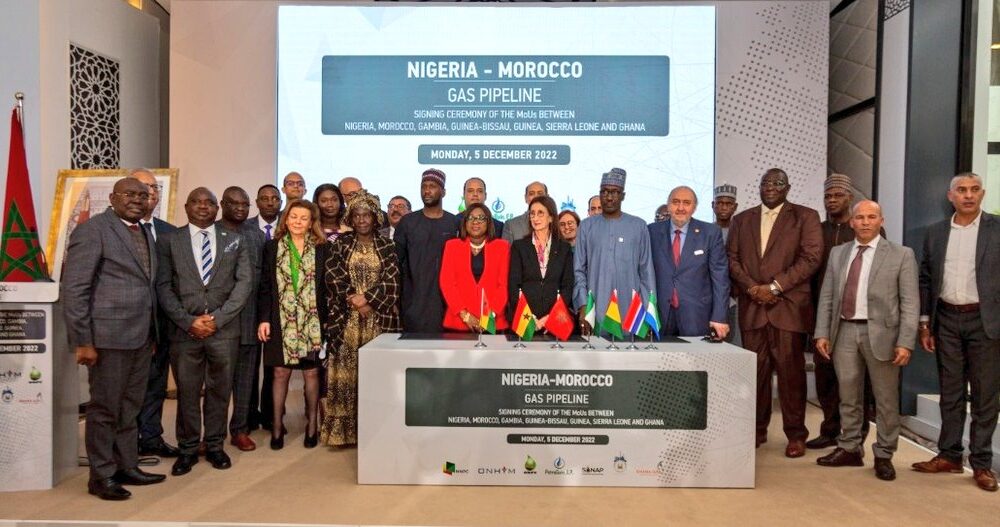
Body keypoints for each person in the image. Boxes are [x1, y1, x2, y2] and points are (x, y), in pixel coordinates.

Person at [62, 177, 166, 500]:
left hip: (141, 336)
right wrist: (83, 340)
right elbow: (75, 288)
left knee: (130, 407)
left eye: (143, 195)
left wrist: (152, 332)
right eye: (129, 194)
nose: (137, 200)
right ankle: (101, 475)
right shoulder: (93, 231)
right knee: (105, 409)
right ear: (112, 197)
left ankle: (126, 466)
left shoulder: (145, 231)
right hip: (107, 338)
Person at [813, 200, 918, 481]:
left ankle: (884, 454)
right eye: (860, 217)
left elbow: (910, 303)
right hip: (844, 332)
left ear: (881, 221)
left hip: (883, 336)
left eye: (872, 217)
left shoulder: (901, 255)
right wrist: (822, 332)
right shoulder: (838, 253)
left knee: (885, 399)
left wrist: (906, 341)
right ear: (852, 222)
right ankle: (850, 447)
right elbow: (827, 296)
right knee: (848, 395)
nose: (865, 222)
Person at [913, 172, 1000, 492]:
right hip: (946, 320)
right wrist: (925, 323)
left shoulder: (996, 228)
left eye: (974, 189)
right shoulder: (935, 232)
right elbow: (925, 279)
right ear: (950, 196)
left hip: (985, 321)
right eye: (961, 190)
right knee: (950, 393)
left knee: (985, 396)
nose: (968, 195)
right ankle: (949, 455)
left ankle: (981, 463)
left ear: (982, 194)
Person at [156, 188, 253, 476]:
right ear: (186, 207)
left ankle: (214, 445)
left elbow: (243, 284)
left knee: (220, 391)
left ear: (217, 208)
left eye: (208, 202)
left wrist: (218, 319)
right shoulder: (169, 240)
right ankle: (187, 449)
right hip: (184, 332)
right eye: (196, 202)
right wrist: (188, 321)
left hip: (224, 331)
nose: (203, 206)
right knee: (187, 392)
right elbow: (163, 286)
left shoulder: (235, 240)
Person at [727, 168, 822, 458]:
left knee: (791, 375)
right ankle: (756, 430)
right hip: (753, 306)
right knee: (755, 375)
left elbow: (811, 258)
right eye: (765, 183)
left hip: (788, 308)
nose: (770, 187)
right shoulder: (742, 219)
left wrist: (775, 287)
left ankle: (796, 435)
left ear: (787, 188)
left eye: (777, 183)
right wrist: (752, 288)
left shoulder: (805, 216)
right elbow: (732, 259)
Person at [322, 190, 401, 446]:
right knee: (346, 375)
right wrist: (354, 299)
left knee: (376, 375)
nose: (362, 220)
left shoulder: (388, 246)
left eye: (366, 215)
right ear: (350, 218)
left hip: (378, 321)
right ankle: (344, 433)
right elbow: (332, 275)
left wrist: (368, 299)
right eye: (356, 215)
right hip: (347, 320)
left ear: (375, 217)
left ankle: (375, 431)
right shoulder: (340, 243)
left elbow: (392, 281)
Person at [807, 174, 877, 450]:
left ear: (850, 197)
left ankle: (855, 436)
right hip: (822, 315)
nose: (832, 200)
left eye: (838, 195)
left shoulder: (863, 230)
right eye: (828, 196)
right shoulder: (817, 230)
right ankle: (830, 429)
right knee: (825, 377)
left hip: (856, 318)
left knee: (856, 380)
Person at [257, 199, 329, 450]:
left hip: (312, 322)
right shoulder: (271, 247)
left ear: (311, 223)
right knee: (280, 373)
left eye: (304, 218)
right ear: (286, 219)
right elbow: (265, 286)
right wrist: (264, 319)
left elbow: (326, 289)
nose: (298, 222)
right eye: (293, 216)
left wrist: (326, 323)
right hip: (280, 320)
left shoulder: (322, 249)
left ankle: (312, 426)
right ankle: (277, 427)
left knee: (312, 373)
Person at [128, 169, 180, 459]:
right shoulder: (113, 229)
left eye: (154, 187)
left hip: (163, 322)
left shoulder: (170, 232)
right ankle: (125, 443)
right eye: (143, 186)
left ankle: (150, 437)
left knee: (156, 384)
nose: (150, 192)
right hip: (128, 324)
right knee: (128, 388)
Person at [573, 168, 655, 338]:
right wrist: (582, 306)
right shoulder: (587, 226)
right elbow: (579, 270)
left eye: (615, 192)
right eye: (604, 192)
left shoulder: (638, 226)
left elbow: (646, 272)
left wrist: (649, 312)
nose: (609, 197)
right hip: (595, 309)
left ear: (623, 196)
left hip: (631, 311)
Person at [218, 186, 266, 452]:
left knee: (245, 380)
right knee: (217, 383)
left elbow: (263, 279)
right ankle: (213, 434)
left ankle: (240, 429)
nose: (239, 208)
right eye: (234, 203)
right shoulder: (210, 232)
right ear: (222, 204)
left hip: (249, 318)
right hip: (219, 320)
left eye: (245, 204)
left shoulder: (256, 235)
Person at [648, 186, 729, 338]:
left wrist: (719, 316)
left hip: (696, 314)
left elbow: (720, 277)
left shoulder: (710, 233)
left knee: (696, 354)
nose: (680, 208)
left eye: (686, 203)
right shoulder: (651, 231)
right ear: (668, 205)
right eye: (675, 202)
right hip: (659, 313)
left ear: (694, 207)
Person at [394, 168, 460, 333]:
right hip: (414, 302)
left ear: (443, 192)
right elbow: (395, 264)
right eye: (424, 186)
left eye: (432, 186)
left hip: (447, 304)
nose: (427, 191)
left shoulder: (454, 223)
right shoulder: (407, 223)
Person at [440, 203, 510, 332]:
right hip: (459, 322)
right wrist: (465, 316)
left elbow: (504, 285)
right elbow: (447, 284)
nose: (475, 222)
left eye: (481, 218)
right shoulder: (452, 246)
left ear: (489, 222)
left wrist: (490, 316)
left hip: (492, 322)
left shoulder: (502, 247)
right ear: (464, 223)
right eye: (470, 218)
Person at [508, 196, 574, 333]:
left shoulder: (564, 248)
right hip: (525, 321)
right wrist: (530, 318)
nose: (535, 218)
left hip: (555, 321)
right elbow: (513, 286)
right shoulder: (519, 246)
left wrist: (550, 318)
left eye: (540, 213)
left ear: (551, 218)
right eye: (532, 213)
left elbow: (567, 286)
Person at [250, 184, 281, 432]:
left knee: (273, 366)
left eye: (275, 198)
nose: (270, 202)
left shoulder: (289, 227)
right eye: (265, 198)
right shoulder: (245, 228)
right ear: (257, 202)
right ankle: (249, 416)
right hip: (248, 304)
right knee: (249, 367)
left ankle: (271, 415)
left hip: (278, 306)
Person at [713, 183, 741, 346]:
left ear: (735, 207)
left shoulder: (742, 232)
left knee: (733, 342)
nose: (724, 207)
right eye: (720, 203)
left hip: (735, 296)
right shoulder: (704, 231)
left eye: (728, 204)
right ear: (713, 205)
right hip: (710, 296)